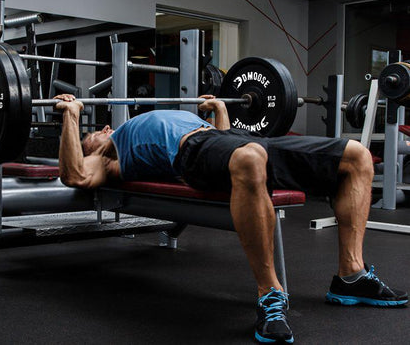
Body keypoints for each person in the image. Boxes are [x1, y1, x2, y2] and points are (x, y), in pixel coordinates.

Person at [54, 93, 407, 344]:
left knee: (357, 156)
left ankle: (351, 274)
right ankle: (270, 294)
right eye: (89, 136)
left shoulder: (124, 130)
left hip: (228, 138)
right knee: (250, 159)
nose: (99, 130)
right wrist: (71, 116)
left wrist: (219, 109)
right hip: (191, 153)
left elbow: (222, 146)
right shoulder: (108, 158)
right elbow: (75, 175)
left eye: (96, 129)